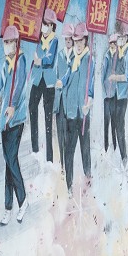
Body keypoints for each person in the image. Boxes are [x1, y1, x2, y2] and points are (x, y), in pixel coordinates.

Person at [0, 24, 30, 225]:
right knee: (8, 162)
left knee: (11, 160)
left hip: (16, 118)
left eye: (10, 42)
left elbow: (20, 83)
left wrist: (13, 105)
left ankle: (22, 201)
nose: (7, 45)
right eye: (5, 42)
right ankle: (8, 207)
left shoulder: (20, 61)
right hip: (4, 120)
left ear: (17, 43)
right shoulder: (6, 64)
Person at [55, 22, 94, 192]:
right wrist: (60, 82)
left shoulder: (89, 59)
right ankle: (69, 185)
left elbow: (91, 84)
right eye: (75, 41)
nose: (78, 45)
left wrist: (89, 103)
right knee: (69, 150)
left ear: (86, 41)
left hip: (83, 112)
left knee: (85, 149)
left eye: (80, 42)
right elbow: (67, 75)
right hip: (71, 112)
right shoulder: (74, 60)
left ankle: (88, 178)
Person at [28, 8, 59, 162]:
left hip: (49, 83)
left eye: (47, 24)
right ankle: (35, 148)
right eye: (43, 24)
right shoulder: (38, 40)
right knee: (32, 107)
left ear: (52, 26)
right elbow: (34, 59)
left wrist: (40, 60)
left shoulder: (55, 41)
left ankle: (49, 157)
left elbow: (50, 59)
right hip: (37, 80)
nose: (44, 27)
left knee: (48, 118)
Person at [105, 22, 128, 166]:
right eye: (119, 38)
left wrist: (115, 77)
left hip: (123, 94)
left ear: (127, 38)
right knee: (116, 123)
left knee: (120, 124)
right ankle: (120, 155)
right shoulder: (119, 51)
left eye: (123, 37)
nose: (120, 40)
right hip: (116, 92)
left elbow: (127, 75)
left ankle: (124, 157)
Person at [53, 22, 75, 174]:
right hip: (59, 100)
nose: (67, 42)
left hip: (71, 102)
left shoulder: (76, 56)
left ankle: (68, 164)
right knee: (60, 134)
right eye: (66, 39)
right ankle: (62, 164)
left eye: (69, 39)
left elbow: (70, 75)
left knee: (68, 136)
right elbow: (57, 74)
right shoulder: (60, 54)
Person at [101, 33, 119, 153]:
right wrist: (103, 92)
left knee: (114, 121)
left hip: (115, 93)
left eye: (114, 43)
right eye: (111, 43)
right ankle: (106, 146)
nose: (113, 45)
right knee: (106, 121)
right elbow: (102, 75)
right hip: (107, 93)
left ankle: (115, 146)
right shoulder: (107, 56)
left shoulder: (119, 55)